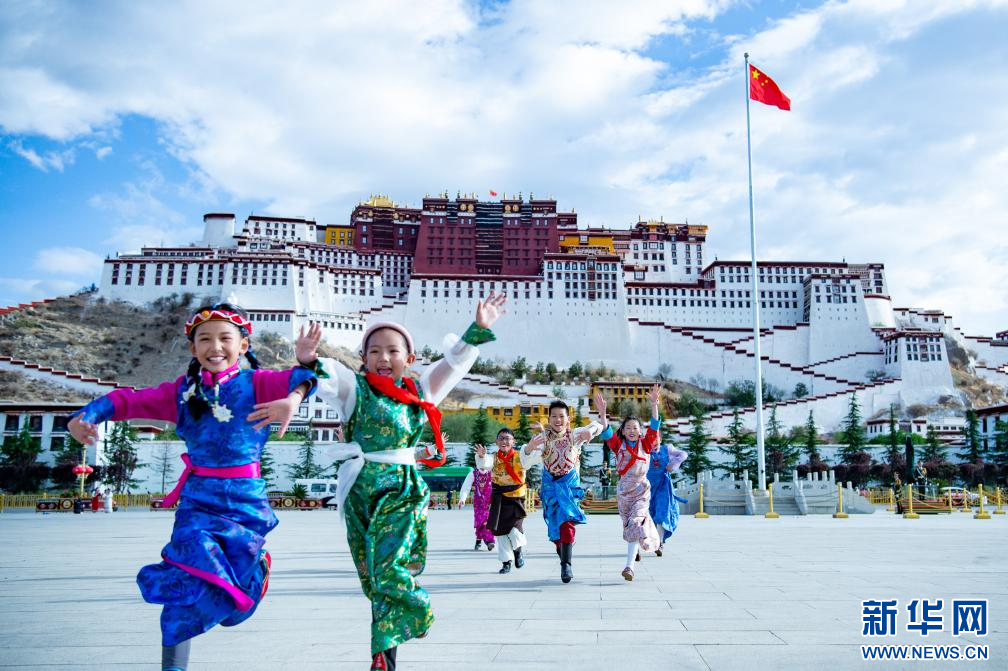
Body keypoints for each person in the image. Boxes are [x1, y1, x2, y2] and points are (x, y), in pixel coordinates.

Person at [68, 302, 316, 671]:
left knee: (233, 605)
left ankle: (256, 571)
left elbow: (305, 378)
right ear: (192, 347)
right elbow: (125, 400)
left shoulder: (257, 383)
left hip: (244, 502)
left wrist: (294, 396)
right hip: (197, 502)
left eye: (225, 339)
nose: (215, 347)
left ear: (243, 345)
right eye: (205, 339)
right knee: (183, 582)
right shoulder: (181, 393)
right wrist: (85, 416)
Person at [297, 293, 507, 671]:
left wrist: (476, 330)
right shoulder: (355, 390)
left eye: (393, 351)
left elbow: (452, 365)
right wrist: (310, 360)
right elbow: (330, 379)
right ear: (363, 359)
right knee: (373, 579)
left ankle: (395, 639)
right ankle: (392, 637)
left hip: (401, 492)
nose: (383, 357)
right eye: (374, 351)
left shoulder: (419, 393)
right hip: (360, 493)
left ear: (409, 359)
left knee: (389, 570)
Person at [531, 397, 604, 584]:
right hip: (550, 487)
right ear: (549, 419)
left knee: (567, 522)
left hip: (569, 486)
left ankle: (566, 565)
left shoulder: (575, 435)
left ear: (568, 419)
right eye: (554, 416)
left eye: (561, 416)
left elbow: (599, 426)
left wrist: (591, 431)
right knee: (556, 529)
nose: (558, 420)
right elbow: (527, 457)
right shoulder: (543, 439)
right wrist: (529, 448)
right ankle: (562, 550)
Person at [596, 385, 662, 581]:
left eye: (635, 428)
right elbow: (607, 431)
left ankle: (629, 567)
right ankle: (646, 541)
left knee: (636, 522)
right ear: (623, 432)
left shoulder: (646, 444)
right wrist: (603, 414)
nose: (632, 430)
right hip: (624, 493)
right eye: (628, 428)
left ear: (640, 431)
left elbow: (654, 426)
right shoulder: (618, 446)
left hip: (641, 491)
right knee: (630, 526)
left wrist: (654, 405)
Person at [476, 428, 542, 573]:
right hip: (499, 498)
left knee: (515, 529)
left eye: (507, 438)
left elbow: (528, 459)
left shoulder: (520, 456)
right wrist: (481, 456)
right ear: (496, 441)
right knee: (500, 532)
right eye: (501, 438)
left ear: (513, 441)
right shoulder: (493, 458)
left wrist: (530, 448)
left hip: (516, 498)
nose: (504, 441)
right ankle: (506, 562)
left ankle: (518, 552)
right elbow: (484, 464)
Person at [647, 444, 688, 557]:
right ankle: (652, 540)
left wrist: (672, 464)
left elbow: (683, 454)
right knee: (649, 516)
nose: (654, 442)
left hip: (663, 487)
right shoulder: (643, 448)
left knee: (661, 514)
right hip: (647, 487)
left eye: (656, 438)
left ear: (660, 439)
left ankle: (659, 543)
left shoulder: (667, 449)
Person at [458, 456, 495, 551]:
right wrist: (462, 499)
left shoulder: (492, 474)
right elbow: (466, 487)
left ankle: (489, 541)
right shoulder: (473, 474)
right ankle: (479, 539)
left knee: (488, 523)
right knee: (480, 522)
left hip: (490, 504)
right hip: (478, 504)